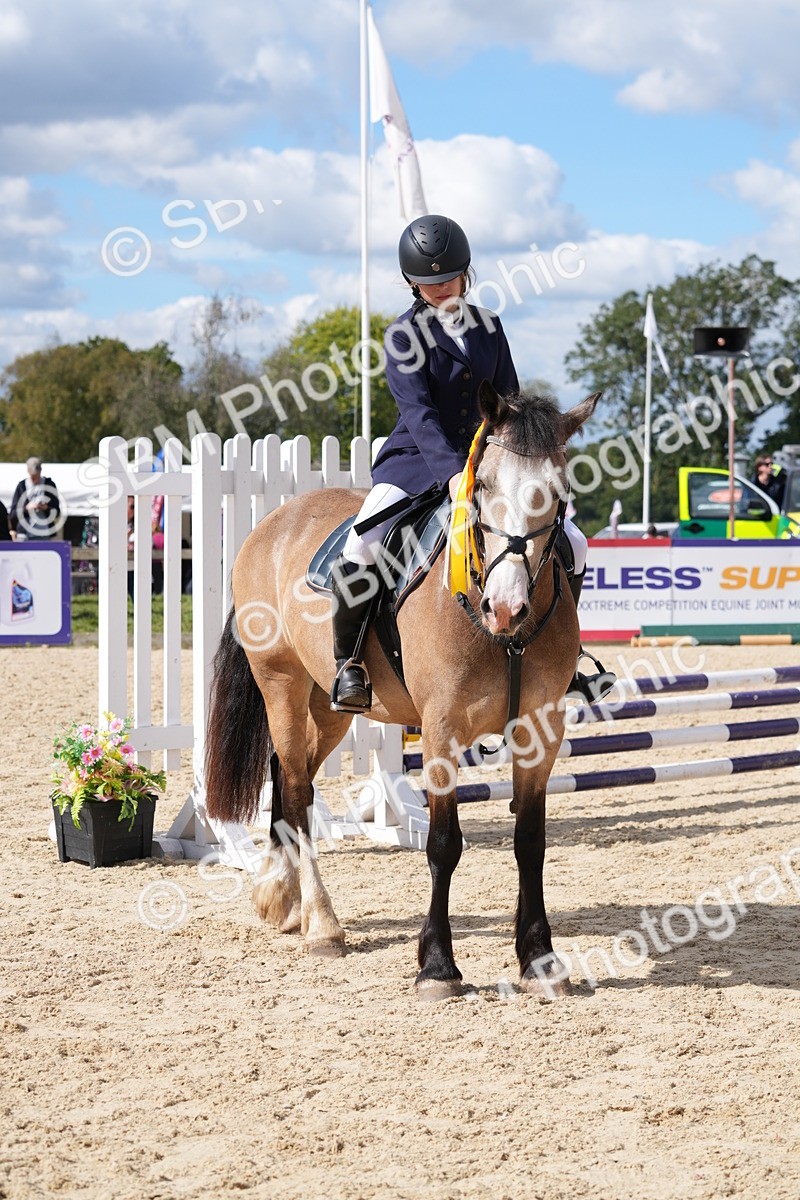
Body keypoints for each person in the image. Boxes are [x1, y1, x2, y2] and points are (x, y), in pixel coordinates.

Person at [329, 213, 614, 713]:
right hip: (417, 461)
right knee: (362, 543)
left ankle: (561, 657)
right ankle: (349, 664)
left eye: (449, 278)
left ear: (466, 273)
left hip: (494, 463)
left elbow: (511, 401)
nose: (442, 289)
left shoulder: (489, 327)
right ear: (413, 284)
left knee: (575, 542)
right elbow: (418, 415)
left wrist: (515, 459)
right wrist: (453, 476)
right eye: (430, 282)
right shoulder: (402, 336)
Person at [9, 457, 61, 541]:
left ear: (40, 471)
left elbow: (57, 512)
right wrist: (27, 508)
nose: (35, 480)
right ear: (28, 472)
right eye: (32, 477)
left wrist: (46, 508)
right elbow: (13, 513)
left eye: (37, 476)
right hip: (24, 533)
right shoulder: (21, 486)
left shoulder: (49, 485)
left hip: (44, 533)